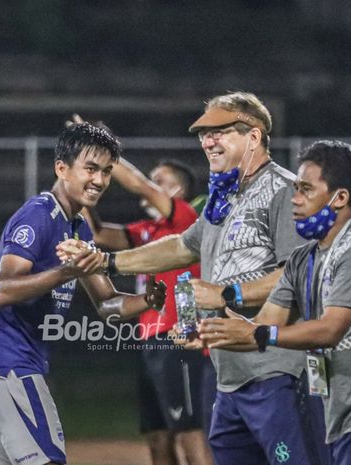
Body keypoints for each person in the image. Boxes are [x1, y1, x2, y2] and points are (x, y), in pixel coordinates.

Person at [58, 92, 329, 465]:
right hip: (228, 376)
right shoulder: (225, 198)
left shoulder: (284, 190)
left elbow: (299, 274)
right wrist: (106, 261)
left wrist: (223, 294)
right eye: (204, 133)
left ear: (254, 137)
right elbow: (181, 247)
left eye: (220, 131)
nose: (207, 141)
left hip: (280, 373)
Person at [199, 140, 351, 465]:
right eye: (295, 188)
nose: (295, 199)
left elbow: (331, 329)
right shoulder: (301, 258)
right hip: (335, 413)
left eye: (306, 189)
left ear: (341, 198)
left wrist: (260, 334)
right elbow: (264, 325)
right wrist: (212, 331)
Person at [0, 122, 167, 465]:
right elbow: (1, 291)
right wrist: (66, 272)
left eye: (107, 172)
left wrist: (148, 301)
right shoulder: (40, 214)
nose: (99, 180)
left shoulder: (77, 228)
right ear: (61, 168)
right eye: (91, 168)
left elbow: (108, 305)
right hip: (5, 364)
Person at [84, 156, 212, 465]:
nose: (149, 188)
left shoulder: (185, 218)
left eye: (160, 181)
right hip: (150, 339)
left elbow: (138, 184)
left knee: (189, 432)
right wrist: (81, 193)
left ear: (178, 190)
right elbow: (99, 234)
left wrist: (101, 156)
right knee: (158, 436)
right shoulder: (148, 230)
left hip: (181, 338)